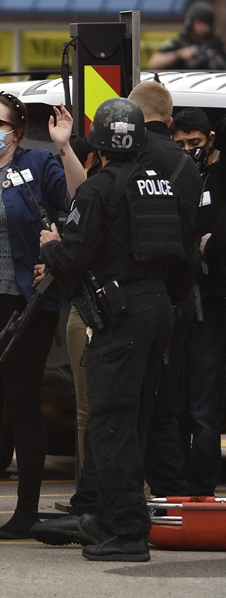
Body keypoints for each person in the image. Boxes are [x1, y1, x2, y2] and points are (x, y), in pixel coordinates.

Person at [38, 97, 187, 562]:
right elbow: (185, 256)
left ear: (99, 144)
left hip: (120, 316)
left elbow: (73, 257)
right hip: (159, 307)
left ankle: (125, 531)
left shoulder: (99, 188)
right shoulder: (158, 183)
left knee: (110, 422)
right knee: (136, 419)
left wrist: (50, 248)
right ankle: (105, 517)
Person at [0, 95, 86, 540]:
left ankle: (27, 510)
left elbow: (79, 196)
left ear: (16, 132)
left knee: (21, 404)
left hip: (25, 302)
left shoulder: (37, 163)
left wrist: (64, 146)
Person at [129, 82, 198, 501]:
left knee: (124, 404)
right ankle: (170, 495)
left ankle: (118, 498)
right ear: (170, 122)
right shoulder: (186, 164)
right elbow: (190, 234)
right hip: (175, 297)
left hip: (128, 295)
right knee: (164, 406)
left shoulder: (122, 155)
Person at [172, 108, 226, 495]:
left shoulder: (220, 178)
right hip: (178, 302)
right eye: (180, 144)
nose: (189, 150)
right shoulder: (177, 178)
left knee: (203, 407)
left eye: (195, 142)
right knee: (174, 404)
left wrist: (212, 246)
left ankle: (201, 488)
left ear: (210, 139)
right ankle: (174, 484)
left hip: (212, 303)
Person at [148, 1, 226, 70]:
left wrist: (214, 60)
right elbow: (153, 64)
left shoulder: (215, 45)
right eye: (200, 22)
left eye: (207, 24)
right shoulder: (178, 44)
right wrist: (179, 55)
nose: (204, 27)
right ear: (191, 22)